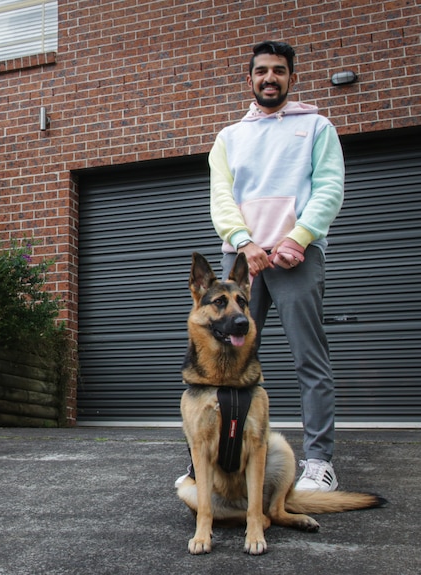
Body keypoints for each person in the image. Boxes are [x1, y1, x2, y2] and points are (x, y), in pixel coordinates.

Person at [208, 40, 345, 491]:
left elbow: (329, 190)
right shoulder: (229, 136)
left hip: (297, 259)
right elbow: (222, 199)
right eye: (262, 70)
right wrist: (246, 244)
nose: (270, 78)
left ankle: (319, 462)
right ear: (248, 79)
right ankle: (219, 457)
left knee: (310, 359)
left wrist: (297, 238)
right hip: (241, 260)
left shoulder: (317, 127)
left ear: (291, 77)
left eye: (279, 71)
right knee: (228, 363)